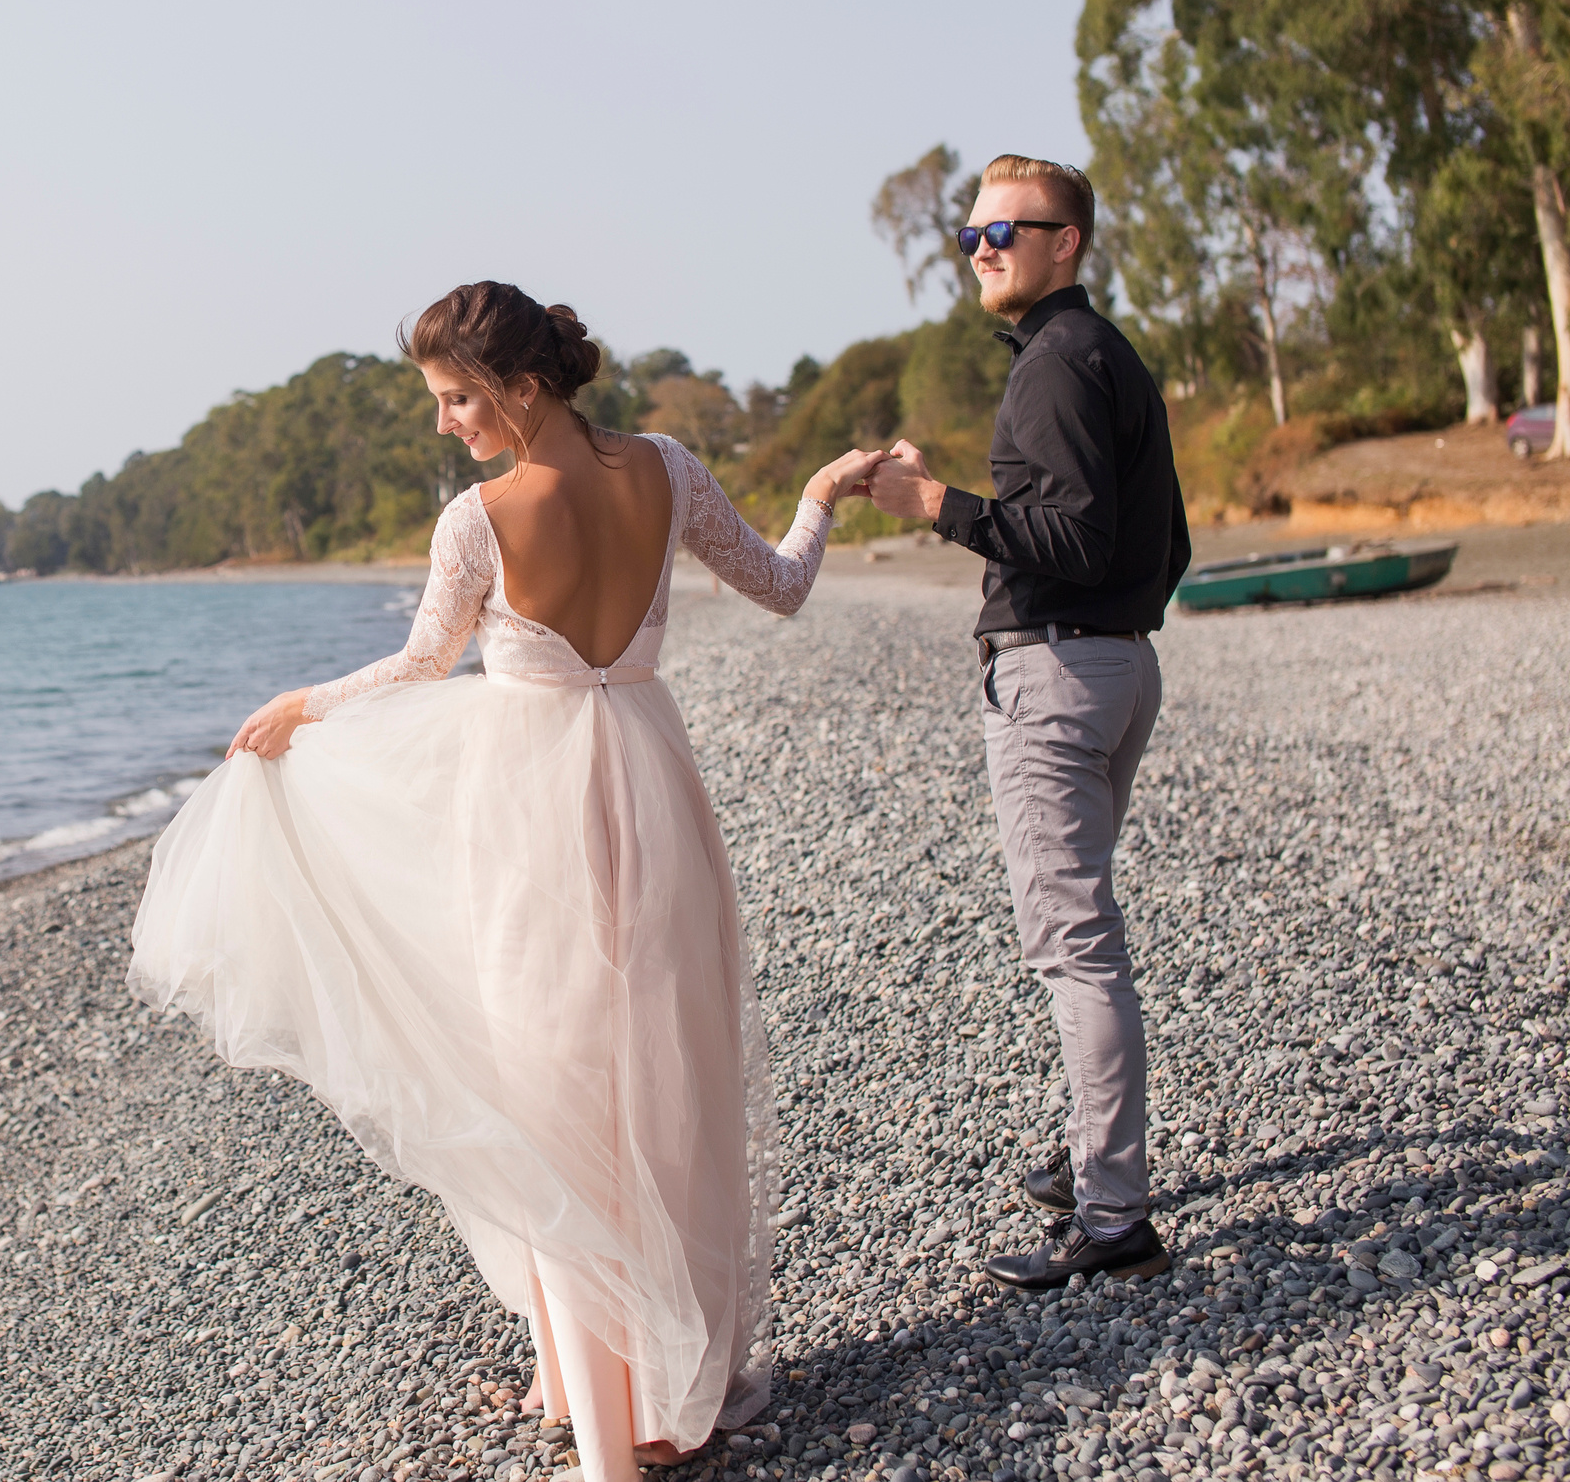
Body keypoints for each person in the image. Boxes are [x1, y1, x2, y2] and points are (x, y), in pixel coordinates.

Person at [127, 282, 883, 1482]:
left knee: (553, 1106)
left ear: (521, 389)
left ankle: (606, 1449)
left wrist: (301, 707)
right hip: (653, 787)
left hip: (534, 817)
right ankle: (630, 1376)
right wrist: (818, 497)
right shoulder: (672, 470)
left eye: (455, 400)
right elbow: (782, 586)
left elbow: (424, 667)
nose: (443, 425)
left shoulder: (476, 521)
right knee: (659, 1079)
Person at [863, 154, 1190, 1290]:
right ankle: (1098, 1163)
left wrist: (935, 506)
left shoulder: (1056, 363)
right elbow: (1162, 544)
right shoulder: (1108, 359)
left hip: (1056, 676)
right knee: (1084, 937)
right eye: (971, 236)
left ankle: (1113, 1216)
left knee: (1074, 950)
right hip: (1114, 668)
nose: (984, 249)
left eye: (1008, 230)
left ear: (1068, 244)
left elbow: (1075, 541)